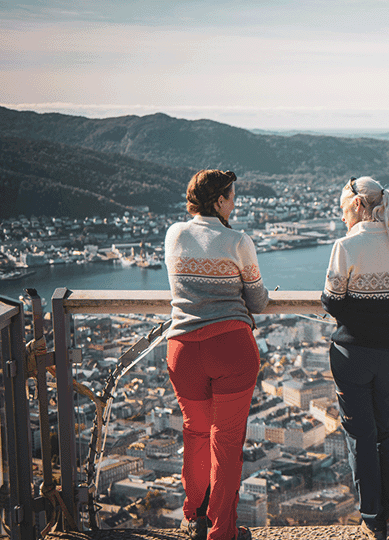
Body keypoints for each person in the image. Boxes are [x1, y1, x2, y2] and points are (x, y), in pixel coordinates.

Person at [322, 176, 389, 540]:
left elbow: (332, 301)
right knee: (387, 432)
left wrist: (361, 299)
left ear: (356, 207)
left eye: (342, 210)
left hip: (352, 352)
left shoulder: (346, 246)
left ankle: (372, 516)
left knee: (360, 436)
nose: (341, 218)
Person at [164, 169, 267, 540]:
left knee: (194, 434)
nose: (235, 202)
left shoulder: (174, 233)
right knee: (226, 443)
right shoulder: (237, 240)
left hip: (183, 350)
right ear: (220, 200)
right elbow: (256, 299)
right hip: (231, 348)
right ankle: (223, 531)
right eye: (232, 195)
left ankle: (194, 517)